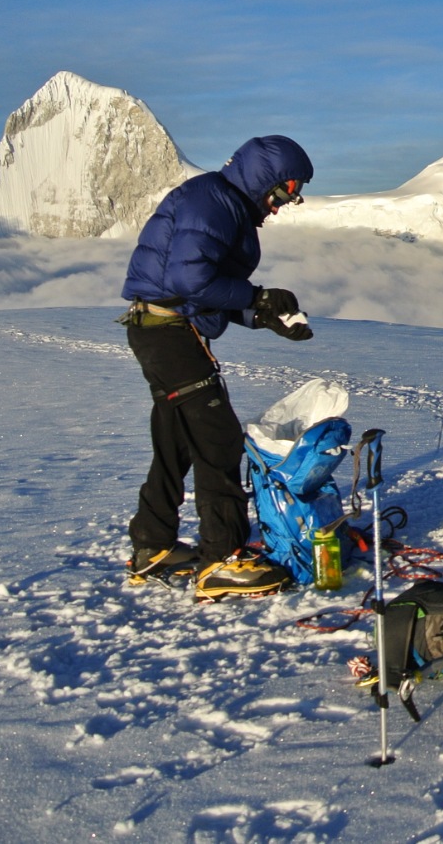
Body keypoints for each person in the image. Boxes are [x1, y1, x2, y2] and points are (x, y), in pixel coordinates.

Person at [119, 134, 317, 602]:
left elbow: (202, 286)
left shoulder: (219, 199)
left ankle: (153, 543)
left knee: (177, 440)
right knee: (218, 440)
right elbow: (188, 279)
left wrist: (262, 315)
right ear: (264, 179)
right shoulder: (214, 202)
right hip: (170, 334)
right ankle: (222, 559)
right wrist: (255, 297)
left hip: (160, 329)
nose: (285, 202)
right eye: (286, 190)